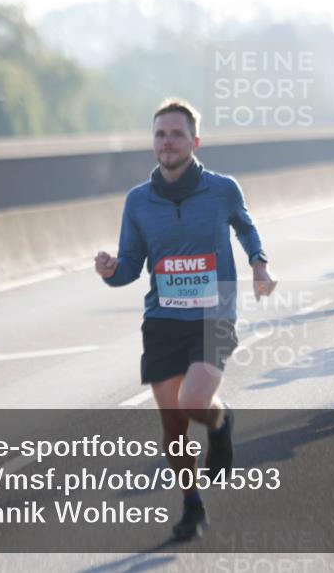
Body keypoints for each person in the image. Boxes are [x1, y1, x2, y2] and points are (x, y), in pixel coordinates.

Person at [95, 98, 277, 541]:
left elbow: (246, 226)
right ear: (153, 143)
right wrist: (110, 271)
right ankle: (192, 504)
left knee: (194, 401)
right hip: (162, 319)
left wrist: (258, 262)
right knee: (172, 422)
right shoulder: (138, 201)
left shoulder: (222, 189)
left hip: (215, 313)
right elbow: (132, 267)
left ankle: (220, 421)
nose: (168, 142)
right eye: (160, 134)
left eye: (177, 134)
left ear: (194, 141)